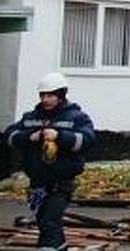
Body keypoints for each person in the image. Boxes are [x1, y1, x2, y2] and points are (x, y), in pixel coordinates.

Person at [4, 72, 95, 251]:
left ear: (61, 95)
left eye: (51, 95)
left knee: (49, 221)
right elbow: (10, 136)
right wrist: (30, 137)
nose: (46, 99)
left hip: (61, 182)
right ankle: (60, 247)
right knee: (45, 222)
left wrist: (60, 136)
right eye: (43, 95)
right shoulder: (30, 117)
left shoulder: (76, 117)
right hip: (37, 183)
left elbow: (87, 140)